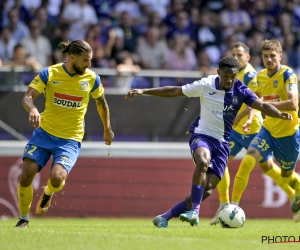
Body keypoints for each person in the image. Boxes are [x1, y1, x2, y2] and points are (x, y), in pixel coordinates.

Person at [125, 56, 292, 228]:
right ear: (218, 73)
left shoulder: (240, 89)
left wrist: (278, 114)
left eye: (232, 76)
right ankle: (195, 212)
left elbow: (262, 106)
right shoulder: (206, 85)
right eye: (226, 75)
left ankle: (165, 217)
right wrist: (145, 91)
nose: (229, 79)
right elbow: (175, 91)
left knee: (207, 190)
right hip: (202, 135)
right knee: (203, 162)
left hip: (222, 143)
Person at [15, 40, 114, 227]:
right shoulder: (50, 73)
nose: (89, 65)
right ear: (72, 57)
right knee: (27, 173)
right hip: (45, 133)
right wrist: (33, 109)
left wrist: (107, 129)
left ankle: (48, 193)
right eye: (85, 60)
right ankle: (23, 219)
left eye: (90, 60)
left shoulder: (92, 79)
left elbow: (101, 104)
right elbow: (27, 97)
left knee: (57, 178)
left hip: (70, 138)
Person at [210, 42, 296, 225]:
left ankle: (293, 195)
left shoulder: (253, 75)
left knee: (276, 172)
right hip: (248, 130)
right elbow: (253, 101)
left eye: (239, 55)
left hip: (260, 129)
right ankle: (227, 205)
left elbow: (262, 102)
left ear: (247, 57)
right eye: (233, 54)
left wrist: (251, 117)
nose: (236, 58)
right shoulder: (250, 75)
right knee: (222, 160)